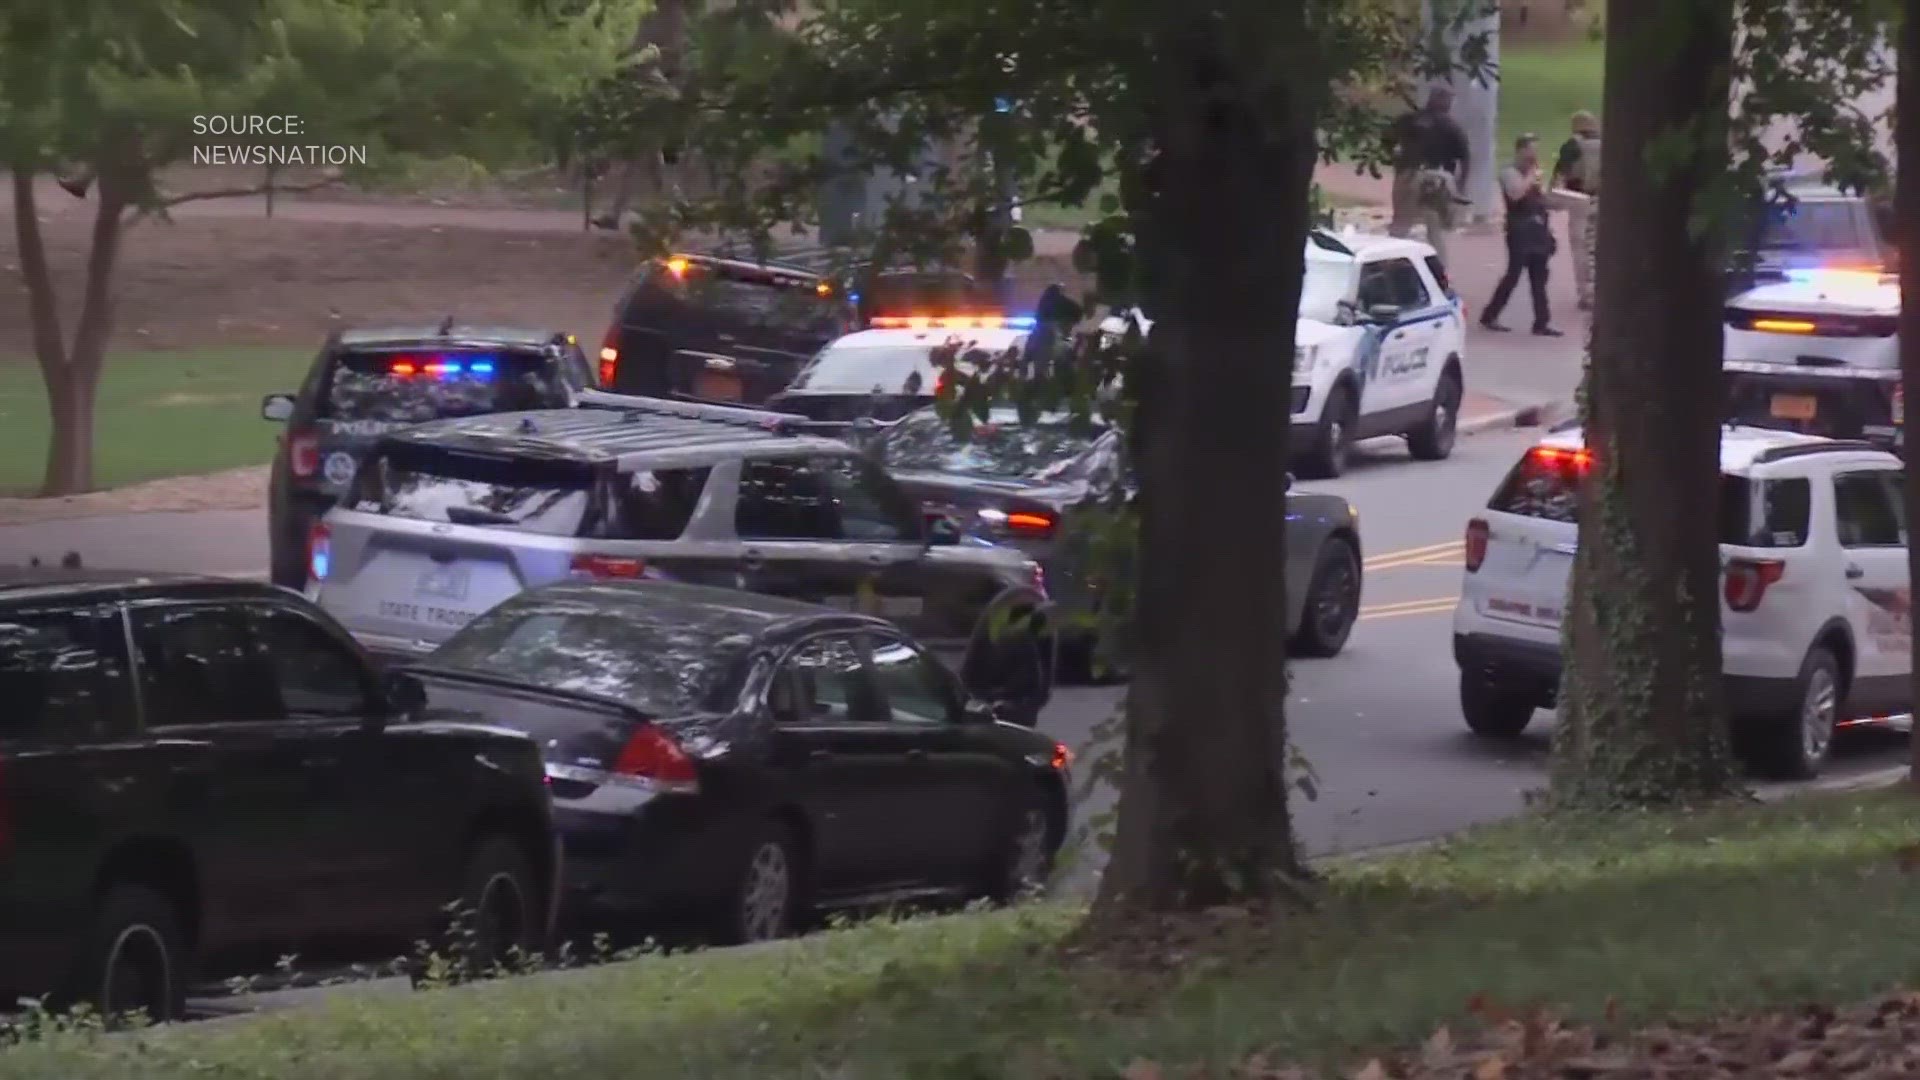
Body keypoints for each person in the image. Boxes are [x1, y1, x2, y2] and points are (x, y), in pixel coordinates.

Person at [1480, 134, 1561, 337]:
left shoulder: (1533, 174)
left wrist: (1555, 198)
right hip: (1519, 229)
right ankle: (1490, 315)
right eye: (1532, 149)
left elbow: (1539, 198)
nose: (1535, 154)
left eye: (1536, 149)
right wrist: (1531, 177)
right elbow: (1516, 193)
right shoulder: (1510, 172)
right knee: (1513, 274)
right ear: (1521, 150)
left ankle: (1541, 322)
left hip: (1538, 229)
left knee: (1539, 276)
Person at [1385, 88, 1471, 266]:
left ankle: (1390, 263)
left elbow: (1387, 139)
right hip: (1438, 179)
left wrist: (1396, 161)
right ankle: (1441, 272)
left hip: (1409, 174)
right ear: (1441, 101)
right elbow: (1466, 158)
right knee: (1435, 228)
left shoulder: (1408, 120)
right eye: (1448, 100)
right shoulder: (1450, 125)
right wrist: (1460, 189)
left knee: (1400, 224)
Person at [1551, 111, 1601, 311]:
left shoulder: (1572, 146)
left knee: (1581, 246)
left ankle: (1587, 294)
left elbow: (1559, 177)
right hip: (1604, 199)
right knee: (1597, 245)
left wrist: (1552, 200)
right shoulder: (1607, 144)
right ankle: (1601, 287)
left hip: (1580, 199)